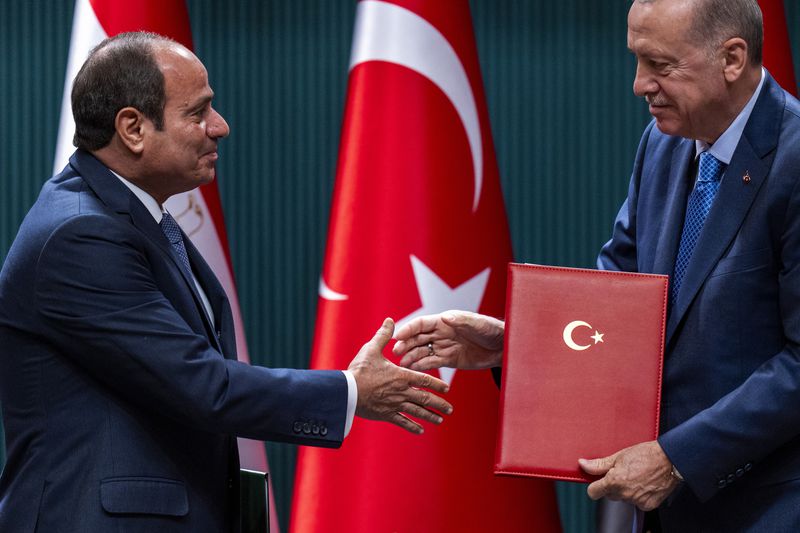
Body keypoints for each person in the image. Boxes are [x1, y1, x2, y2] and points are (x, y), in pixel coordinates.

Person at [0, 32, 453, 532]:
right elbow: (202, 384)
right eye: (197, 113)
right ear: (132, 128)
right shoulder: (80, 234)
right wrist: (349, 392)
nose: (221, 127)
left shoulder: (133, 217)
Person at [393, 0, 800, 530]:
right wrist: (513, 347)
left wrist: (678, 458)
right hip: (664, 513)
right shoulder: (661, 145)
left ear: (732, 58)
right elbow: (614, 309)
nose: (639, 84)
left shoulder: (793, 160)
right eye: (636, 60)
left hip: (768, 511)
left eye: (660, 65)